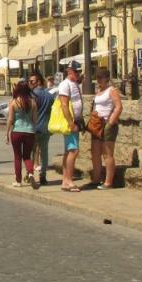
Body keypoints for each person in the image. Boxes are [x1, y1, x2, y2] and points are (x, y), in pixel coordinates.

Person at [90, 68, 123, 189]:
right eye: (97, 78)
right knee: (95, 153)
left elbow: (118, 107)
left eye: (100, 78)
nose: (98, 80)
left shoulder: (112, 90)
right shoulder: (98, 91)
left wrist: (111, 122)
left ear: (106, 78)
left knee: (107, 154)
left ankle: (108, 182)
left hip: (107, 124)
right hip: (96, 124)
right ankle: (96, 179)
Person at [56, 62, 84, 190]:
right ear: (69, 71)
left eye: (79, 71)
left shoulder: (75, 84)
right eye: (76, 72)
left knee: (69, 151)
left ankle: (65, 180)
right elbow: (64, 104)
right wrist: (71, 123)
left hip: (76, 120)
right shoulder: (65, 84)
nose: (79, 74)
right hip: (70, 122)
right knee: (73, 150)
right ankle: (68, 180)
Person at [7, 79, 38, 188]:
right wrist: (34, 131)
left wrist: (7, 134)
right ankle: (30, 173)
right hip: (29, 132)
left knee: (17, 156)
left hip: (16, 131)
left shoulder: (14, 102)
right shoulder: (33, 102)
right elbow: (35, 120)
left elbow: (10, 120)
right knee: (27, 156)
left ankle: (18, 181)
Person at [28, 72, 54, 186]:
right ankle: (43, 175)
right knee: (44, 152)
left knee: (32, 152)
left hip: (33, 127)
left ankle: (30, 174)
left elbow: (29, 112)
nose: (30, 83)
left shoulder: (32, 95)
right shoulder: (49, 95)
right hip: (45, 127)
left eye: (32, 81)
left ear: (38, 82)